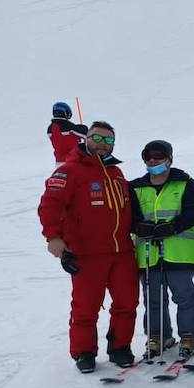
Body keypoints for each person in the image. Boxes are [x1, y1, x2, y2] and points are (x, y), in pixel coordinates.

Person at [37, 121, 139, 372]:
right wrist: (54, 237)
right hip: (87, 253)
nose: (102, 145)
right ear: (86, 139)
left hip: (122, 251)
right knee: (86, 306)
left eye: (108, 140)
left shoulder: (116, 173)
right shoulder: (70, 171)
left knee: (127, 302)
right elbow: (49, 205)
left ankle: (120, 347)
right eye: (97, 138)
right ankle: (84, 352)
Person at [129, 140, 194, 359]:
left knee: (184, 295)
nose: (153, 161)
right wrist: (138, 226)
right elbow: (129, 214)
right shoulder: (135, 187)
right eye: (149, 157)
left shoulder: (185, 183)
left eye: (159, 157)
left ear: (169, 160)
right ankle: (158, 335)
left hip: (179, 251)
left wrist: (173, 226)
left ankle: (189, 334)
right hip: (148, 254)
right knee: (153, 297)